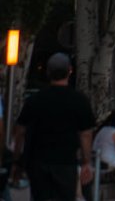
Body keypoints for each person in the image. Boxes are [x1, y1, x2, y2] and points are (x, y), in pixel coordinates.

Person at [9, 54, 95, 201]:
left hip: (38, 160)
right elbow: (85, 134)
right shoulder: (79, 100)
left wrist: (17, 160)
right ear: (70, 71)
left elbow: (20, 131)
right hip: (65, 161)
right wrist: (87, 161)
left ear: (48, 72)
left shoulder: (34, 100)